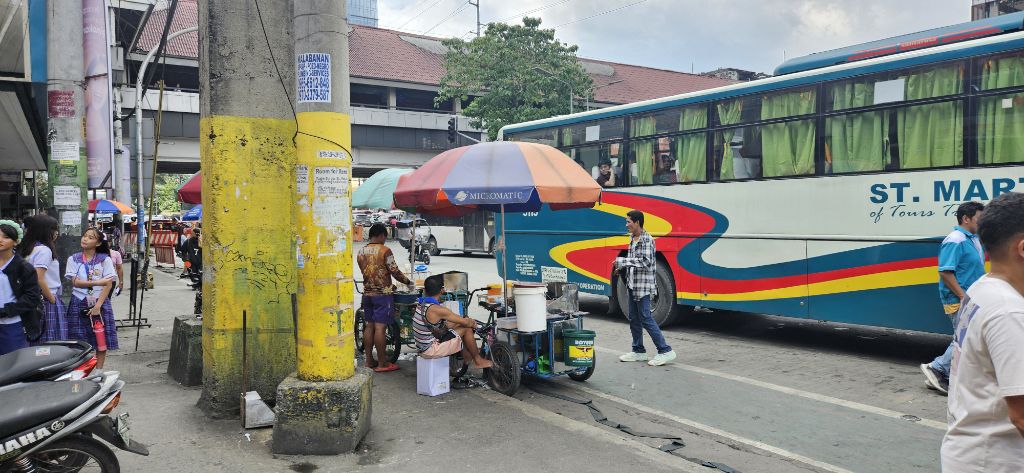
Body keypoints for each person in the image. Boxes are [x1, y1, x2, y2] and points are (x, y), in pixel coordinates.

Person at [941, 192, 1024, 473]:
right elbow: (1021, 415)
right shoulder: (1008, 312)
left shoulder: (983, 289)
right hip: (992, 462)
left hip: (969, 452)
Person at [921, 201, 986, 395]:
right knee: (966, 337)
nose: (982, 223)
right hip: (959, 299)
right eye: (979, 219)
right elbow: (945, 272)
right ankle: (938, 368)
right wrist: (962, 296)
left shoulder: (972, 238)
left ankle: (945, 374)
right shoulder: (955, 240)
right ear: (966, 219)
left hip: (970, 297)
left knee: (967, 336)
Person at [614, 210, 677, 366]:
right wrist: (621, 268)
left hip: (642, 287)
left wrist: (623, 262)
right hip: (632, 285)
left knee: (646, 318)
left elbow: (646, 262)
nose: (626, 224)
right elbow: (634, 262)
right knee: (634, 318)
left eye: (628, 221)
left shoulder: (647, 240)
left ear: (637, 222)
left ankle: (665, 350)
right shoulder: (632, 239)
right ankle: (638, 351)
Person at [357, 223, 413, 373]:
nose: (385, 240)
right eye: (385, 237)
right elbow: (395, 272)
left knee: (370, 326)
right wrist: (408, 282)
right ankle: (382, 363)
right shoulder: (385, 250)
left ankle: (369, 361)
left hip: (367, 294)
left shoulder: (361, 251)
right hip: (382, 295)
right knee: (380, 328)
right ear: (381, 235)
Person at [412, 274, 492, 368]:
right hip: (431, 350)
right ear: (442, 290)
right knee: (467, 328)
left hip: (422, 346)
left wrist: (462, 320)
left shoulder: (421, 303)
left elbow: (444, 324)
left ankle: (467, 358)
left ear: (425, 290)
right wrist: (471, 322)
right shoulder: (437, 309)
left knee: (459, 322)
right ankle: (478, 361)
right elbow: (465, 323)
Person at [66, 227, 117, 368]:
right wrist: (98, 282)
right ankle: (83, 370)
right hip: (78, 300)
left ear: (98, 243)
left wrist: (98, 306)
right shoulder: (74, 259)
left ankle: (98, 371)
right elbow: (75, 282)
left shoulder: (104, 260)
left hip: (99, 302)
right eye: (85, 235)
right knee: (78, 340)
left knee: (101, 338)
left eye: (90, 237)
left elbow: (109, 284)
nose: (85, 239)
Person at [18, 215, 67, 343]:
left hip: (30, 299)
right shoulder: (44, 250)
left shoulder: (27, 249)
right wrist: (52, 299)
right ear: (47, 231)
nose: (57, 233)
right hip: (45, 299)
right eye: (55, 229)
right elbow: (39, 278)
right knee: (50, 343)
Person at [0, 220, 41, 354]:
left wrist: (6, 311)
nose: (0, 240)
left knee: (12, 365)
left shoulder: (24, 267)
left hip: (13, 324)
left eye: (6, 237)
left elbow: (32, 297)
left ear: (16, 241)